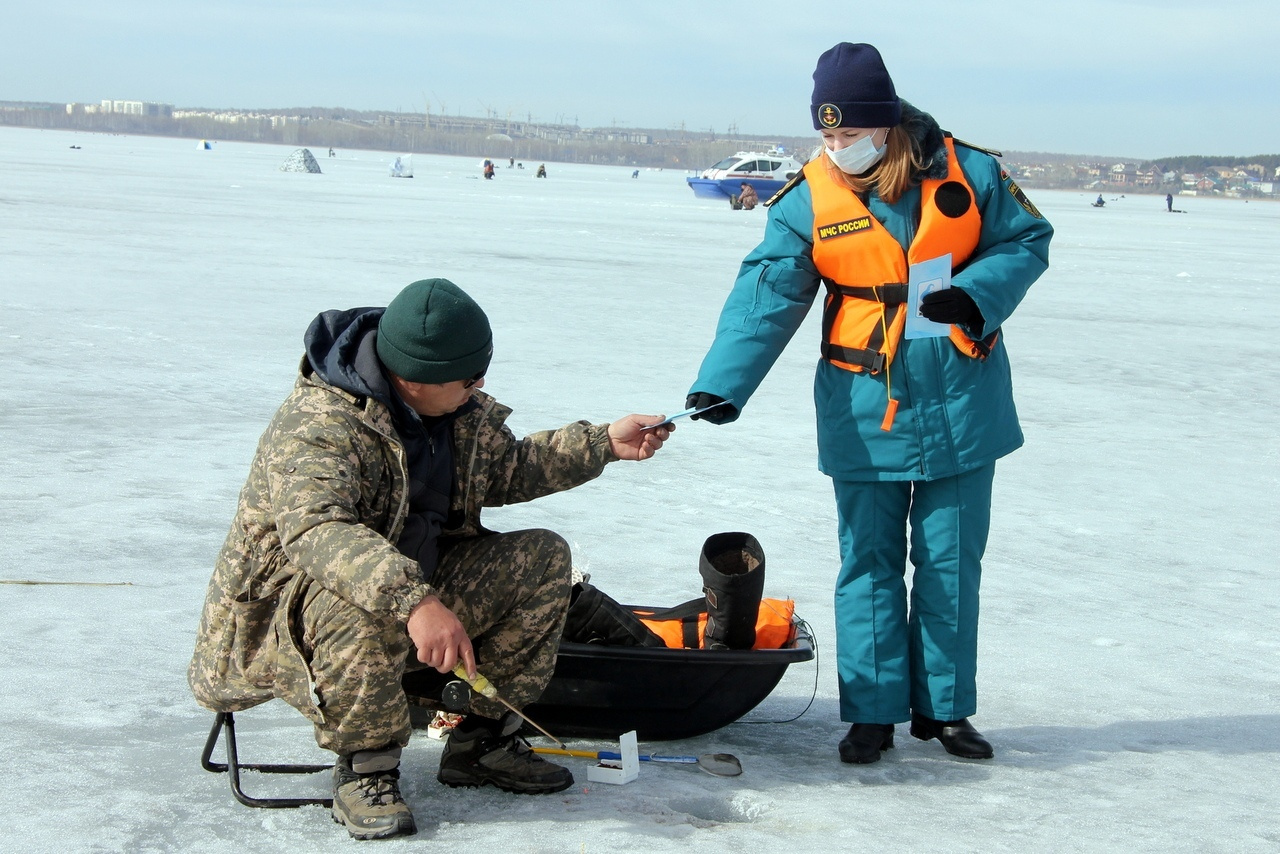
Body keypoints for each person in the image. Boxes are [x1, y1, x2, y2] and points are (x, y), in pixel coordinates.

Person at [189, 278, 673, 839]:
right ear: (413, 378)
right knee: (356, 599)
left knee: (541, 559)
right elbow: (319, 532)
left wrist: (602, 443)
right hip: (287, 618)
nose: (481, 386)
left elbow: (506, 467)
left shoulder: (450, 410)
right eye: (470, 378)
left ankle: (482, 742)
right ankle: (365, 769)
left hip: (410, 586)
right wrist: (416, 601)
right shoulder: (320, 425)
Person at [685, 43, 1052, 765]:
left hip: (960, 395)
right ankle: (874, 714)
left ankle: (946, 710)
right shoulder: (808, 198)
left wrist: (975, 295)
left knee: (950, 560)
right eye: (826, 136)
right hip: (862, 401)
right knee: (868, 561)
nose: (835, 148)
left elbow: (1028, 240)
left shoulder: (970, 171)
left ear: (885, 125)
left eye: (848, 135)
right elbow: (769, 292)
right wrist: (722, 383)